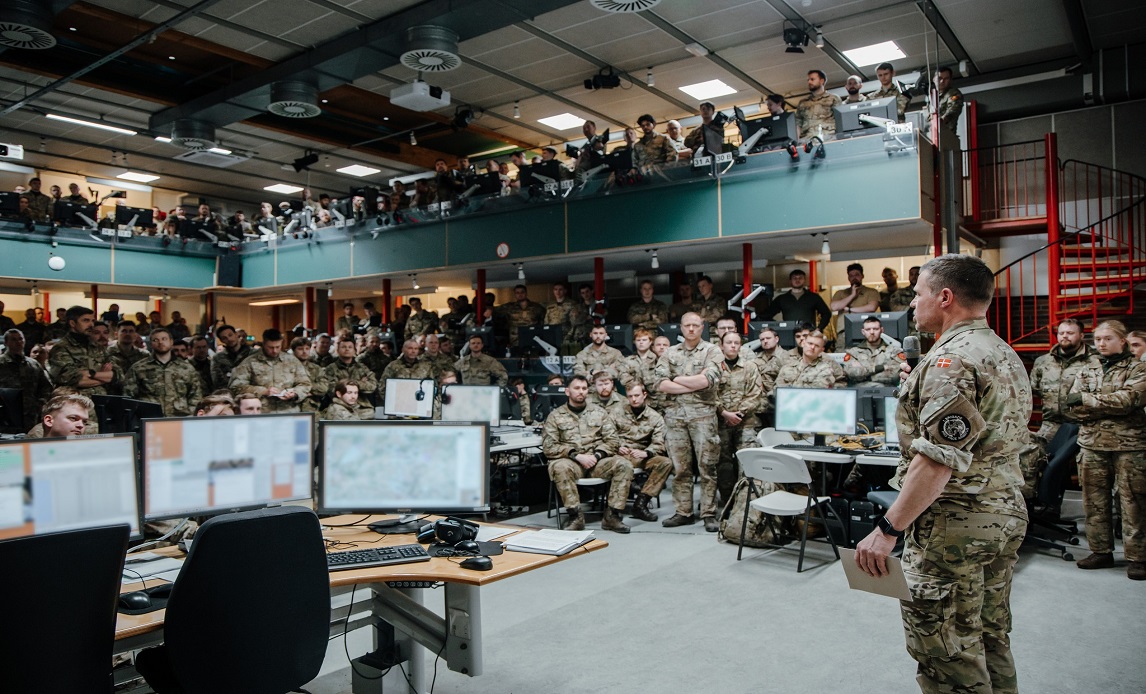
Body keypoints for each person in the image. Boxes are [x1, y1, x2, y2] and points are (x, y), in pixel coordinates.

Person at [855, 254, 1031, 694]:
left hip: (954, 525)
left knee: (947, 653)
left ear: (945, 297)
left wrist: (887, 529)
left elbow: (936, 462)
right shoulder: (999, 350)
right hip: (1001, 513)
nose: (913, 304)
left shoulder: (949, 363)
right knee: (988, 636)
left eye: (918, 295)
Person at [1064, 320, 1146, 579]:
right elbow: (1072, 407)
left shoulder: (1139, 368)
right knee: (1094, 501)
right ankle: (1100, 551)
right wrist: (1106, 406)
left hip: (1129, 445)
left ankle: (1138, 557)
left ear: (1122, 341)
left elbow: (1129, 400)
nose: (1101, 343)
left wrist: (1088, 400)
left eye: (1108, 338)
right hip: (1092, 444)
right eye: (1098, 339)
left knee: (1133, 502)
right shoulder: (1087, 369)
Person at [653, 312, 723, 531]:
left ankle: (708, 513)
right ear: (681, 328)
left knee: (707, 467)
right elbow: (660, 384)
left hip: (703, 417)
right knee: (680, 468)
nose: (691, 329)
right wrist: (692, 383)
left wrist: (676, 378)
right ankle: (683, 512)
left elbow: (708, 380)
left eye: (695, 325)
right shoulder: (670, 353)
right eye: (687, 325)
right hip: (675, 418)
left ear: (702, 327)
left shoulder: (712, 350)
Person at [541, 375, 633, 534]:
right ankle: (575, 516)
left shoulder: (599, 413)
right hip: (571, 462)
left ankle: (612, 516)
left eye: (584, 388)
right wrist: (576, 455)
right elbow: (549, 446)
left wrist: (596, 456)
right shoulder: (555, 416)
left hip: (597, 462)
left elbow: (613, 440)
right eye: (577, 388)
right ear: (567, 391)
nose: (581, 392)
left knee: (624, 465)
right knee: (559, 467)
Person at [610, 382, 673, 522]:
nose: (634, 399)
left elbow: (659, 442)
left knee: (665, 463)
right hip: (619, 454)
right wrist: (617, 446)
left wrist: (647, 453)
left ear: (644, 395)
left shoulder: (655, 417)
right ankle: (613, 511)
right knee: (619, 464)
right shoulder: (616, 412)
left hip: (640, 454)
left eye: (637, 395)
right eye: (630, 396)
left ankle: (641, 503)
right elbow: (608, 435)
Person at [715, 331, 764, 507]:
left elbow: (755, 394)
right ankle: (728, 500)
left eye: (736, 343)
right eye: (729, 342)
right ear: (722, 345)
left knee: (747, 461)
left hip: (746, 422)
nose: (733, 346)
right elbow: (709, 393)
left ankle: (745, 502)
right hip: (720, 422)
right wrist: (724, 413)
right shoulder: (714, 367)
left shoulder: (750, 367)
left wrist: (738, 414)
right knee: (723, 463)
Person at [123, 328, 203, 417]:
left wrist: (191, 416)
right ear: (151, 344)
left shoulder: (186, 368)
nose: (160, 342)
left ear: (171, 342)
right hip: (149, 418)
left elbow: (196, 395)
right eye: (155, 340)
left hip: (180, 418)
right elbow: (128, 396)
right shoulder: (138, 368)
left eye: (164, 339)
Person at [228, 328, 311, 413]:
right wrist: (263, 391)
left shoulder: (292, 361)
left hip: (289, 411)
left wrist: (295, 393)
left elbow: (305, 384)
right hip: (261, 412)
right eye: (270, 347)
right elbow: (236, 387)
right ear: (264, 344)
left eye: (278, 347)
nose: (274, 351)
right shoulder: (250, 362)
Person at [47, 306, 120, 396]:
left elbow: (118, 375)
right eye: (86, 320)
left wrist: (92, 374)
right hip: (75, 400)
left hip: (102, 399)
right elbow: (75, 380)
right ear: (72, 323)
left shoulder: (96, 346)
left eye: (92, 321)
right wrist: (105, 377)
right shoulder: (61, 348)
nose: (91, 325)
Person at [0, 328, 53, 432]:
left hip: (31, 415)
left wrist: (41, 403)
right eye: (13, 339)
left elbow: (46, 387)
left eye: (20, 339)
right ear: (6, 343)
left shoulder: (33, 364)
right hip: (6, 415)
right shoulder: (1, 364)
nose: (18, 342)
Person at [842, 317, 907, 387]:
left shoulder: (894, 351)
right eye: (868, 329)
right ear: (863, 332)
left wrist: (865, 375)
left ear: (881, 330)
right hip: (859, 390)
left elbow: (895, 376)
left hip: (886, 390)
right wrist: (879, 368)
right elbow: (851, 374)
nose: (872, 332)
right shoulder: (853, 353)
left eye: (875, 329)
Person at [775, 331, 845, 389]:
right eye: (810, 343)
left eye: (817, 346)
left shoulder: (825, 369)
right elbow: (776, 391)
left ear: (821, 350)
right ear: (803, 343)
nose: (812, 347)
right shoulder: (787, 368)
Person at [765, 269, 830, 331]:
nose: (797, 280)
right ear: (790, 281)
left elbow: (826, 313)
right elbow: (766, 315)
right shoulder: (781, 299)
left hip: (809, 333)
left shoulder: (813, 297)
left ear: (804, 280)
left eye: (800, 278)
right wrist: (778, 327)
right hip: (789, 332)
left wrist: (819, 329)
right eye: (795, 278)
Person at [830, 263, 881, 336]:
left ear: (862, 276)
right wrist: (852, 295)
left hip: (866, 332)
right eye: (851, 276)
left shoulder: (871, 292)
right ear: (848, 278)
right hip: (844, 332)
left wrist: (849, 310)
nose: (854, 278)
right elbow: (834, 307)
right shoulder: (840, 293)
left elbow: (872, 307)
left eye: (857, 275)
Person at [324, 336, 378, 403]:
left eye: (350, 347)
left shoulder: (362, 368)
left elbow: (373, 385)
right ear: (337, 351)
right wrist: (360, 383)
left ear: (354, 351)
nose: (347, 349)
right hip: (339, 403)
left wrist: (344, 383)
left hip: (361, 404)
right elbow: (331, 390)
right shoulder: (331, 369)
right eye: (343, 347)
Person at [543, 282, 587, 355]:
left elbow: (575, 323)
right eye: (556, 289)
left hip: (566, 337)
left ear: (565, 291)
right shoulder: (550, 305)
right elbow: (546, 322)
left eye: (560, 289)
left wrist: (569, 336)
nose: (558, 292)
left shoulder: (572, 304)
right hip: (552, 338)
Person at [796, 69, 841, 140]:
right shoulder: (803, 102)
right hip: (807, 139)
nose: (809, 82)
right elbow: (798, 124)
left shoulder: (833, 98)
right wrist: (797, 142)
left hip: (828, 138)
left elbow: (840, 120)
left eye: (812, 79)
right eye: (808, 80)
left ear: (822, 81)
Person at [209, 323, 251, 391]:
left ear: (236, 334)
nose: (229, 339)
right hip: (228, 393)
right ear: (222, 341)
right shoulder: (218, 358)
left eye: (230, 335)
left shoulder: (252, 354)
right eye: (224, 338)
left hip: (251, 392)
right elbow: (218, 382)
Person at [932, 66, 964, 152]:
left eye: (946, 79)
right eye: (939, 78)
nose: (942, 81)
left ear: (950, 80)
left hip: (947, 135)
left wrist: (941, 121)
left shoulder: (953, 93)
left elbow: (953, 110)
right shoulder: (931, 97)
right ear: (934, 79)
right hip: (932, 136)